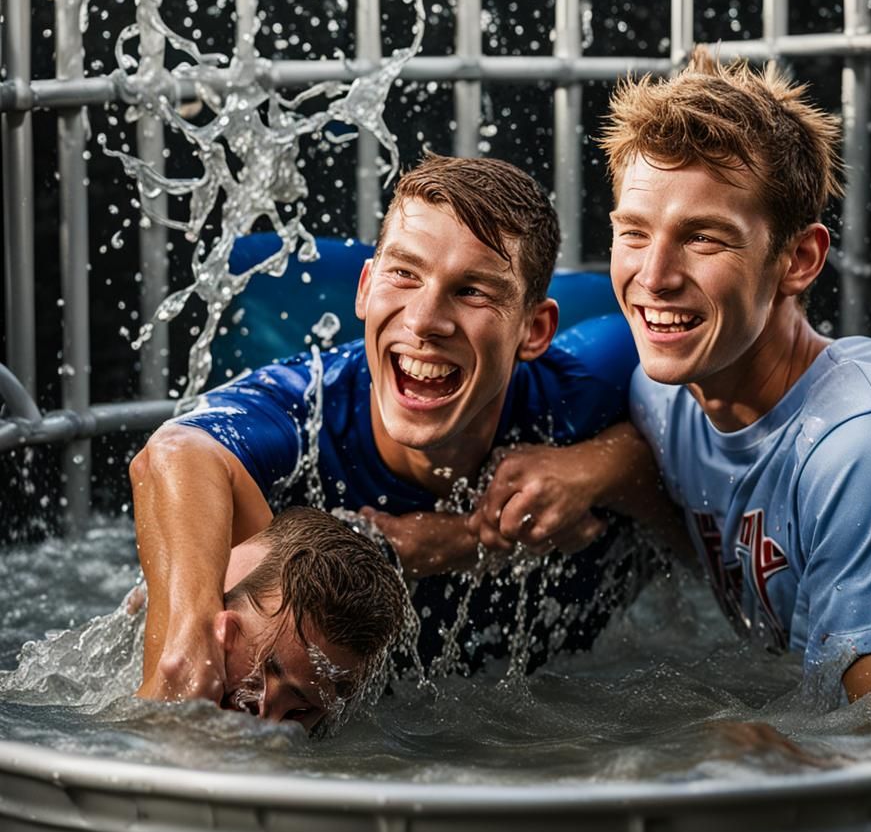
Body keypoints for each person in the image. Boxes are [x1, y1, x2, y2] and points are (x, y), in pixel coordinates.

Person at [131, 154, 676, 703]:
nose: (424, 321)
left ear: (534, 330)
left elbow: (727, 407)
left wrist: (602, 466)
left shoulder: (584, 387)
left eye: (472, 291)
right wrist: (190, 624)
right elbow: (175, 450)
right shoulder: (308, 412)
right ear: (366, 288)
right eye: (404, 274)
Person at [598, 47, 871, 707]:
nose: (654, 276)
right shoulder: (660, 392)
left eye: (704, 239)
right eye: (634, 233)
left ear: (799, 259)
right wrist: (601, 469)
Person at [135, 505, 407, 734]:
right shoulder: (166, 629)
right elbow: (173, 446)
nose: (266, 719)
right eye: (263, 669)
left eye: (299, 711)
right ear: (225, 628)